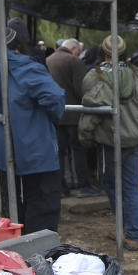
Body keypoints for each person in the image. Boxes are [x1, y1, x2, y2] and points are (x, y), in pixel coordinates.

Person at [0, 21, 65, 234]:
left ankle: (14, 251)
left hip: (0, 152)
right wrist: (50, 120)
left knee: (10, 207)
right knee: (42, 205)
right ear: (19, 46)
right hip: (36, 150)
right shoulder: (27, 68)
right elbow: (55, 97)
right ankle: (38, 254)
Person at [78, 35, 138, 251]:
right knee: (131, 186)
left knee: (112, 185)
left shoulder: (95, 77)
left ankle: (127, 230)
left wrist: (85, 136)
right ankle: (131, 232)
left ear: (102, 54)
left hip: (108, 142)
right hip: (134, 141)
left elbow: (91, 114)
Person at [47, 38, 99, 197]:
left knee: (59, 153)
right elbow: (81, 88)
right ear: (74, 49)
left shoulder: (48, 60)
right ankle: (83, 186)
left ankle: (61, 187)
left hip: (55, 114)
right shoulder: (74, 61)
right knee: (79, 151)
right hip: (74, 115)